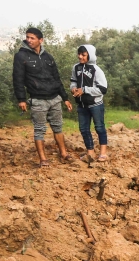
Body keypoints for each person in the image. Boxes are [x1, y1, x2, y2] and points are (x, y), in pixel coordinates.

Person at [12, 27, 73, 167]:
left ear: (41, 40)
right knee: (39, 129)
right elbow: (18, 79)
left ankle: (64, 154)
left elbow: (56, 78)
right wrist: (21, 99)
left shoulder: (48, 57)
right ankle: (43, 159)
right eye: (27, 37)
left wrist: (65, 98)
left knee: (58, 127)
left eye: (32, 38)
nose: (29, 40)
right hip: (38, 100)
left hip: (55, 98)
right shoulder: (21, 56)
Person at [70, 44, 108, 162]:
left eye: (84, 55)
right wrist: (73, 88)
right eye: (79, 54)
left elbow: (103, 89)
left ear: (90, 55)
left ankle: (103, 153)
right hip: (81, 105)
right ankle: (90, 152)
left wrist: (85, 90)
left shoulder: (96, 70)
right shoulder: (76, 68)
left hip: (95, 104)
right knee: (84, 129)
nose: (80, 57)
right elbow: (73, 81)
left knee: (99, 128)